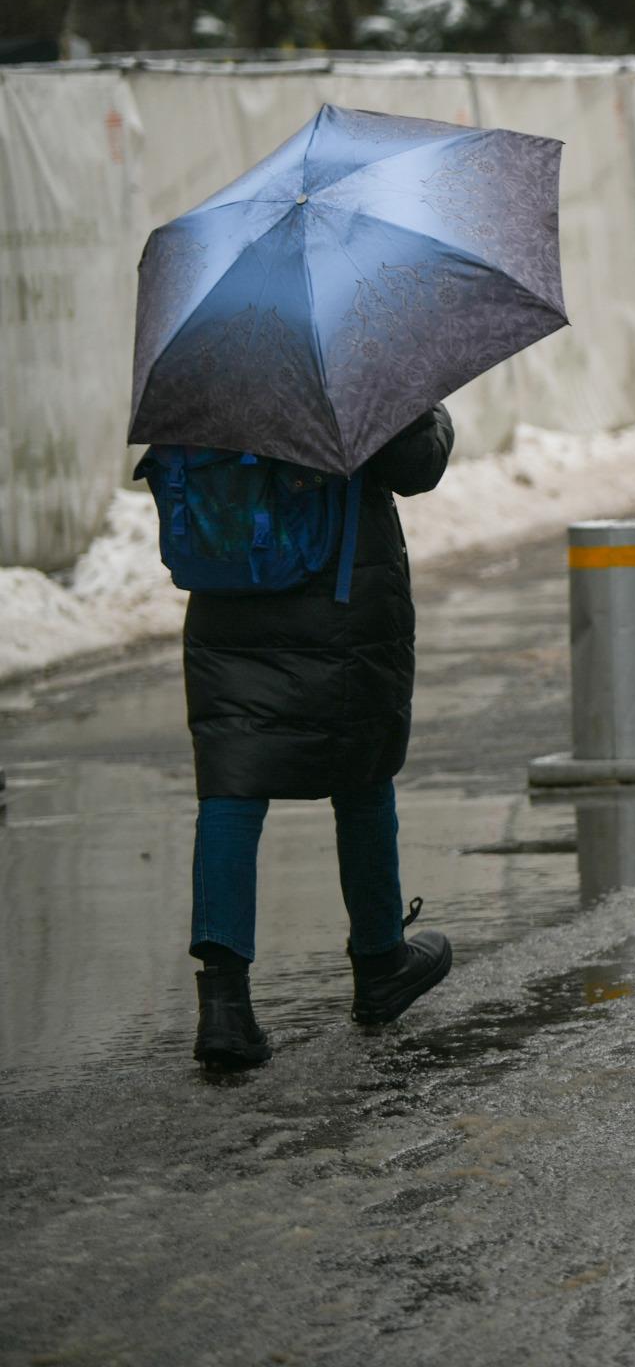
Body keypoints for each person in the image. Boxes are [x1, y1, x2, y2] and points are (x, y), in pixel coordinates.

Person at [171, 405, 460, 1069]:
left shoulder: (207, 353)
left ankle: (224, 1007)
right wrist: (430, 412)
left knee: (231, 782)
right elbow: (415, 465)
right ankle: (381, 961)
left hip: (229, 588)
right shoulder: (354, 339)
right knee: (359, 769)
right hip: (339, 590)